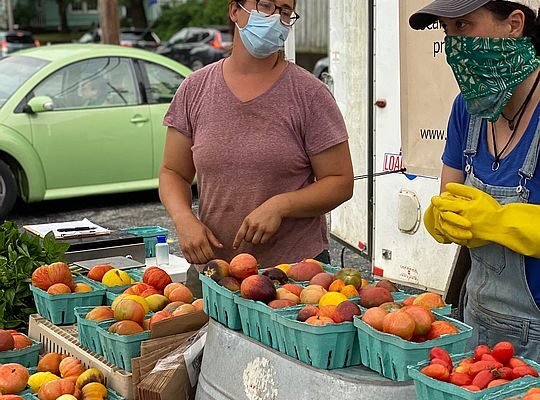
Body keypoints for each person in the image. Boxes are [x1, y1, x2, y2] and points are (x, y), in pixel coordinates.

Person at [159, 0, 354, 297]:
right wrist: (184, 220)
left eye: (285, 11)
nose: (276, 18)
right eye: (266, 6)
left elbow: (340, 182)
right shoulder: (195, 88)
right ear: (235, 11)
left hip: (293, 280)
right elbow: (173, 171)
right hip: (214, 272)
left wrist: (280, 205)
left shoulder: (310, 94)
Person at [410, 0, 540, 359]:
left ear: (514, 24)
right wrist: (442, 217)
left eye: (464, 26)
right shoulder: (466, 110)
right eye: (447, 31)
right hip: (475, 323)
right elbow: (448, 196)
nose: (454, 47)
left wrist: (500, 222)